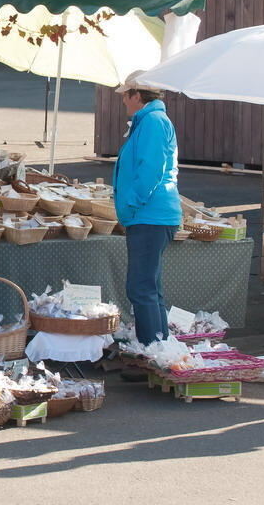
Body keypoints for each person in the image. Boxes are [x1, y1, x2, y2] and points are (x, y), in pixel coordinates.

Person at [114, 72, 181, 347]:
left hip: (149, 215)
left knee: (141, 288)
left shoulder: (152, 121)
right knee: (149, 288)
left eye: (125, 96)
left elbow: (151, 171)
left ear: (137, 96)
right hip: (151, 214)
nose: (123, 102)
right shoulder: (150, 120)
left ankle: (151, 350)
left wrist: (130, 205)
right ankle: (160, 347)